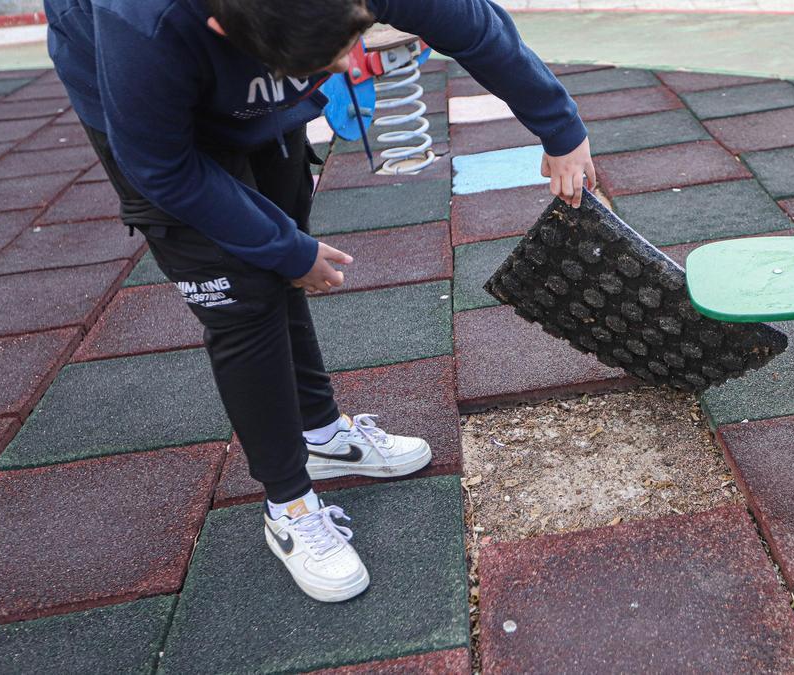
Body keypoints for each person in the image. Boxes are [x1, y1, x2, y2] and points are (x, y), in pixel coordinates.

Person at [44, 0, 596, 602]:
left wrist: (560, 127)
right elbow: (164, 169)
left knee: (282, 239)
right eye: (323, 58)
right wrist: (286, 251)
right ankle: (288, 503)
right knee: (243, 294)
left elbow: (475, 27)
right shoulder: (140, 28)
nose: (342, 64)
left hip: (249, 60)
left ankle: (321, 436)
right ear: (226, 27)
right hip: (147, 111)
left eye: (347, 38)